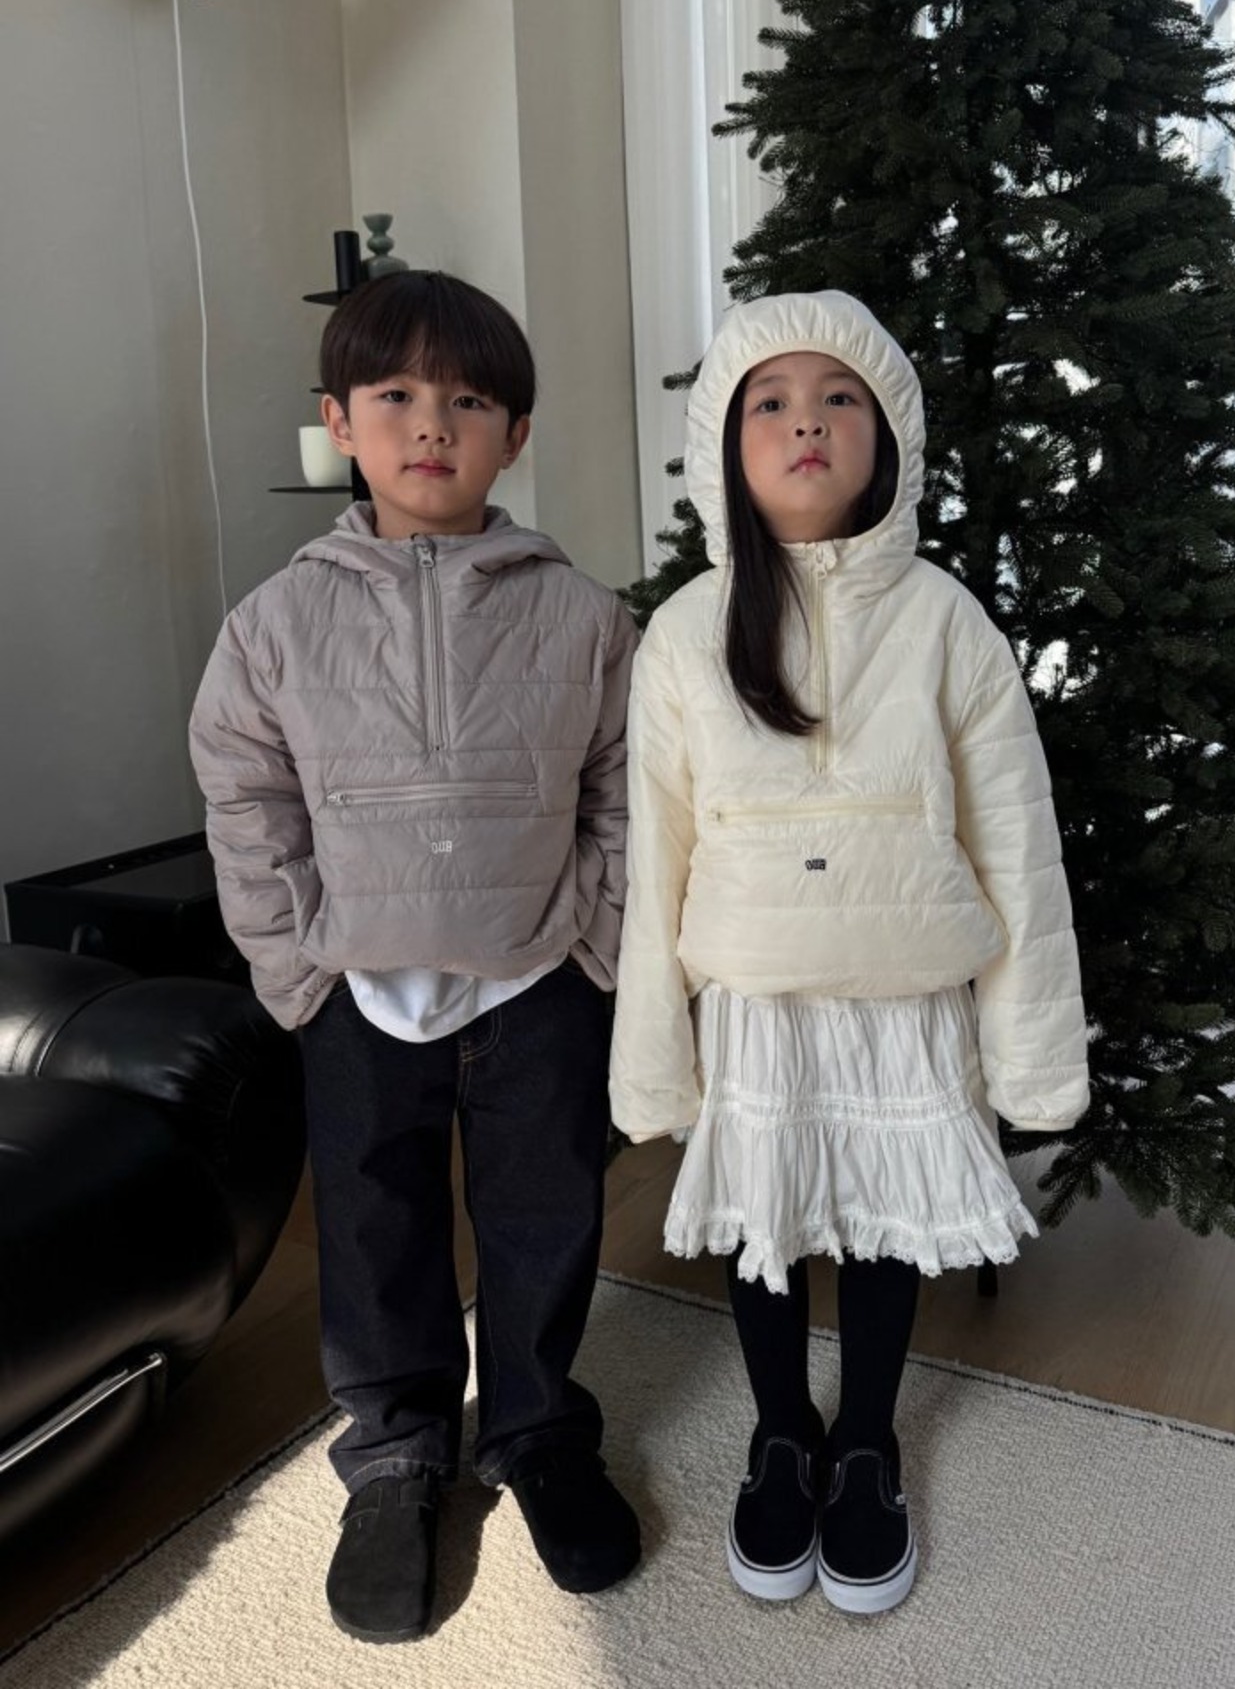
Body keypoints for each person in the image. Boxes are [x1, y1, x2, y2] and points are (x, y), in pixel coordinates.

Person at [610, 290, 1088, 1616]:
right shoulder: (686, 632)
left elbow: (1018, 845)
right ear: (725, 444)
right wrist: (653, 1061)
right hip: (755, 998)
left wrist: (1034, 1057)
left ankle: (866, 1439)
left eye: (838, 399)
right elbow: (656, 858)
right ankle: (782, 1433)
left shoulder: (946, 621)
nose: (805, 423)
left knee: (883, 1222)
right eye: (769, 402)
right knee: (763, 1220)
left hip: (905, 991)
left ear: (890, 438)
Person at [190, 270, 641, 1644]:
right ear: (339, 421)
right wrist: (294, 965)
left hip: (537, 975)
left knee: (544, 1210)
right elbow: (245, 793)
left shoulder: (583, 615)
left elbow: (629, 786)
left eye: (470, 399)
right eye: (395, 394)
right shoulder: (275, 623)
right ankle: (394, 1453)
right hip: (357, 985)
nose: (431, 422)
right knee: (374, 1223)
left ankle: (537, 1427)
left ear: (516, 434)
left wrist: (599, 939)